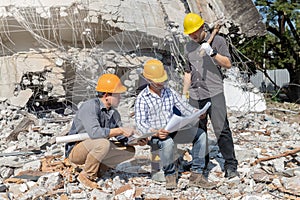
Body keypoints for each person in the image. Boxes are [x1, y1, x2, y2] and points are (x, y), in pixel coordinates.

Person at [135, 59, 216, 190]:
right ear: (148, 79)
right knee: (167, 143)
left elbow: (184, 107)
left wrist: (196, 112)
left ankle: (197, 175)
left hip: (174, 130)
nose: (161, 83)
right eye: (158, 80)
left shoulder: (169, 92)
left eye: (162, 79)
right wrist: (155, 132)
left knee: (200, 135)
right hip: (157, 136)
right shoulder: (142, 99)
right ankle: (170, 176)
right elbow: (140, 123)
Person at [65, 73, 147, 189]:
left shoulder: (114, 113)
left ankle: (100, 169)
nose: (120, 98)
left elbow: (122, 139)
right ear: (107, 95)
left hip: (96, 147)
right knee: (103, 143)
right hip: (77, 150)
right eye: (117, 95)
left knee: (129, 150)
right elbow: (95, 133)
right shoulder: (90, 107)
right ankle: (87, 176)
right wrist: (120, 130)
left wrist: (137, 141)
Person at [182, 13, 238, 178]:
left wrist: (212, 52)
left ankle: (230, 165)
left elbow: (228, 64)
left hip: (214, 92)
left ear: (202, 28)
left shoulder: (219, 41)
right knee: (198, 131)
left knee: (222, 130)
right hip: (195, 94)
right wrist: (184, 94)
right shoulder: (188, 47)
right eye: (189, 34)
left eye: (194, 32)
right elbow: (188, 72)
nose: (192, 36)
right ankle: (201, 162)